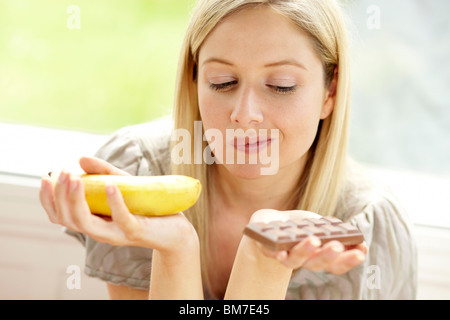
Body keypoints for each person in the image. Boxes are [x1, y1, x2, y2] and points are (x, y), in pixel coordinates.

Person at [39, 0, 417, 300]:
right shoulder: (138, 174)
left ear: (329, 94)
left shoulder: (367, 228)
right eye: (223, 82)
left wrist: (263, 265)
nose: (244, 115)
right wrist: (176, 249)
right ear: (194, 79)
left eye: (282, 85)